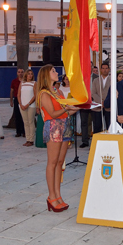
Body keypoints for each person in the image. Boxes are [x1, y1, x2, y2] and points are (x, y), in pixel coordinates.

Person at [37, 65, 79, 212]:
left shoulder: (58, 91)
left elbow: (66, 112)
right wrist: (67, 108)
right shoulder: (44, 93)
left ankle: (58, 195)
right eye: (53, 71)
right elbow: (53, 114)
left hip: (65, 126)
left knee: (60, 163)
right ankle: (51, 196)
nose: (57, 73)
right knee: (53, 162)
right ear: (46, 75)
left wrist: (78, 106)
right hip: (54, 127)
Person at [92, 62, 112, 134]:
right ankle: (96, 143)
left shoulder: (112, 80)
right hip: (98, 106)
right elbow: (93, 93)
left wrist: (106, 102)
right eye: (103, 68)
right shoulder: (95, 80)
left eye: (106, 68)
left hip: (109, 107)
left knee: (109, 126)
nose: (105, 70)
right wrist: (101, 102)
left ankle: (110, 143)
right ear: (100, 69)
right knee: (97, 126)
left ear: (109, 69)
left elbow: (113, 93)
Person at [18, 69, 37, 146]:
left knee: (31, 122)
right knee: (25, 123)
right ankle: (27, 139)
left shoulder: (34, 83)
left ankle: (31, 140)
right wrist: (21, 104)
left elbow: (35, 95)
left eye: (31, 74)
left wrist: (28, 104)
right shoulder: (22, 83)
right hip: (22, 106)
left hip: (31, 106)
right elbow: (18, 95)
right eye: (28, 74)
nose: (30, 75)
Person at [10, 68, 25, 138]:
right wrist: (11, 100)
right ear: (17, 73)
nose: (20, 73)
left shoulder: (25, 81)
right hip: (16, 99)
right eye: (19, 72)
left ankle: (24, 132)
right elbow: (12, 91)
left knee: (24, 116)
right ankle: (18, 132)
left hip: (24, 99)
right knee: (17, 115)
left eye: (22, 72)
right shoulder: (14, 81)